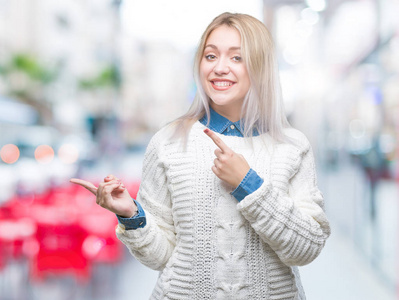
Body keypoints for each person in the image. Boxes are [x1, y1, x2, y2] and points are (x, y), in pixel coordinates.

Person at [71, 12, 330, 300]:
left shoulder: (293, 146)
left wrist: (248, 183)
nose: (220, 68)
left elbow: (307, 248)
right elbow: (161, 257)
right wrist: (131, 214)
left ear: (260, 66)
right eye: (210, 56)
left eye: (236, 57)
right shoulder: (168, 142)